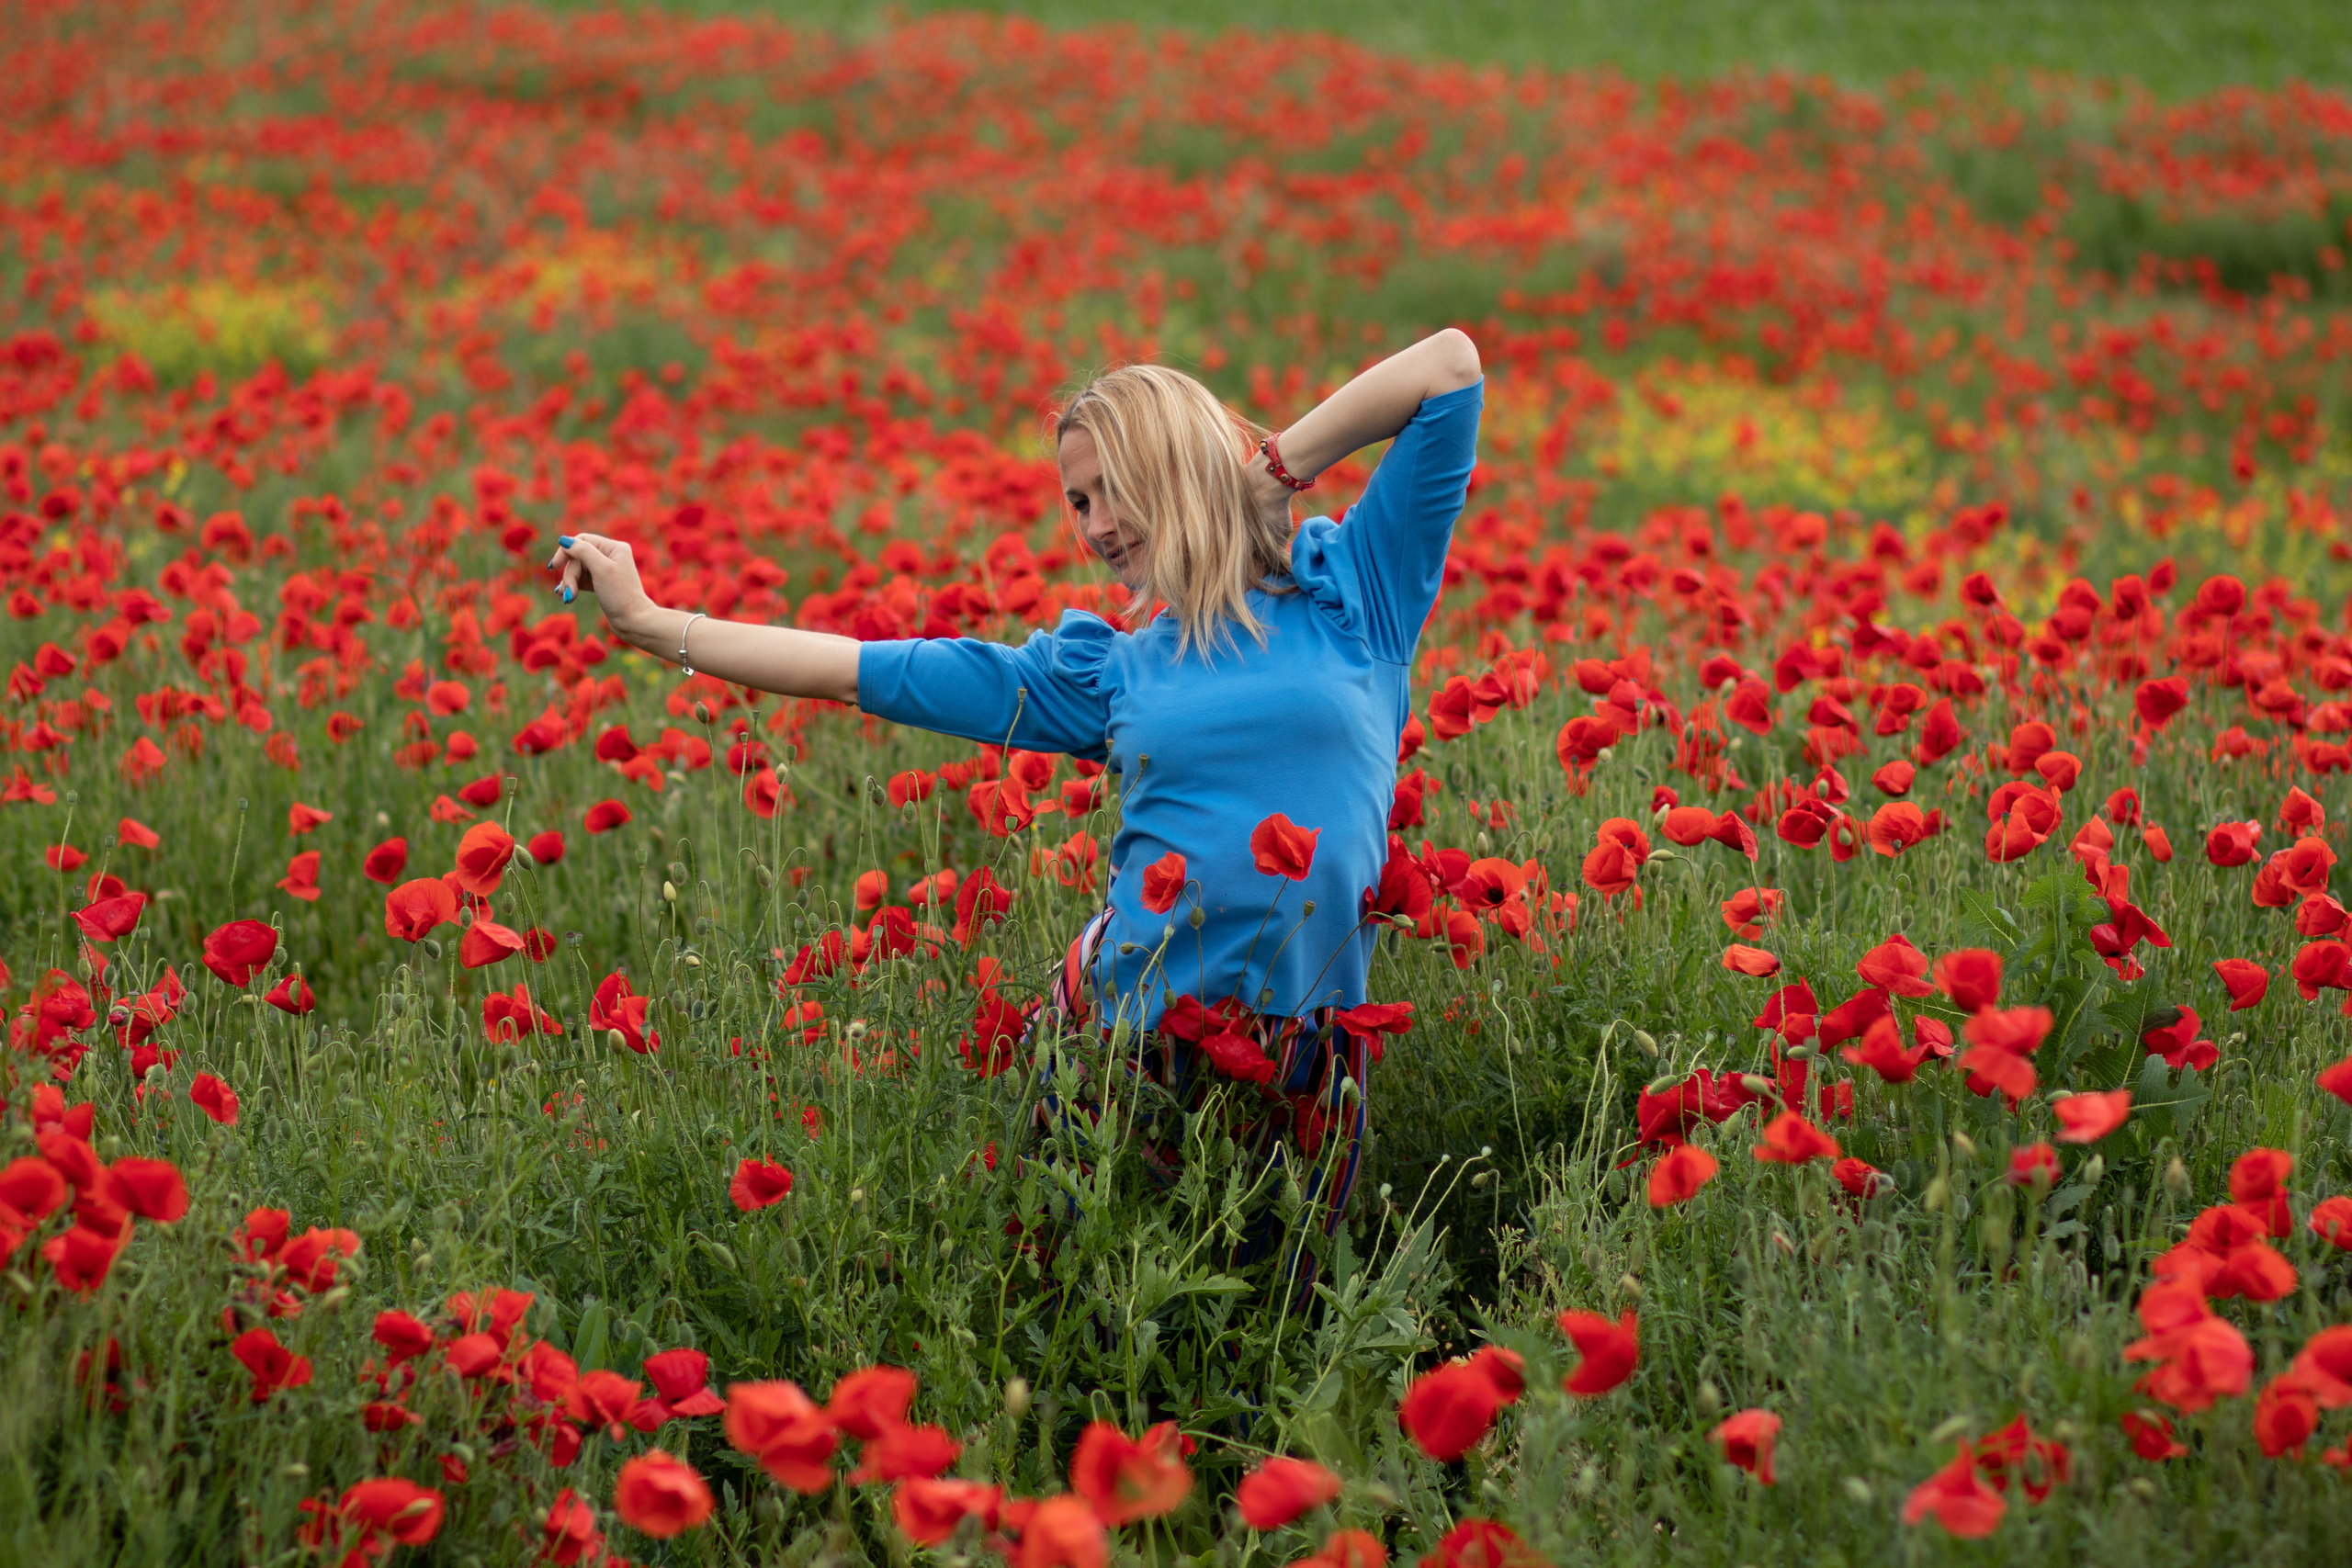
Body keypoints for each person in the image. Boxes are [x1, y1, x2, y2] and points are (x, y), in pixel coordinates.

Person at [549, 328, 1482, 1281]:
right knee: (1101, 1315)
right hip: (1129, 1043)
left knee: (1282, 1320)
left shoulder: (1356, 591)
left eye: (1109, 488)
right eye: (1076, 502)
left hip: (1308, 1042)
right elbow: (860, 672)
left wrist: (1272, 469)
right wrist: (652, 624)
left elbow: (1448, 369)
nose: (1091, 526)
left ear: (1179, 464)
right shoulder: (1107, 671)